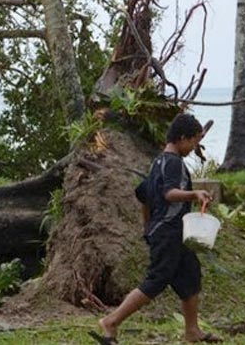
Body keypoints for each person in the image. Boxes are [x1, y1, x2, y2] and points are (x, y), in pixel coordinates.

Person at [90, 113, 222, 344]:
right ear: (182, 138)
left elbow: (143, 195)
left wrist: (147, 227)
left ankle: (192, 331)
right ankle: (111, 322)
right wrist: (195, 193)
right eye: (193, 142)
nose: (194, 148)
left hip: (172, 232)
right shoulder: (173, 163)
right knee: (156, 280)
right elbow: (169, 194)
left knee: (190, 275)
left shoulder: (158, 162)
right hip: (169, 232)